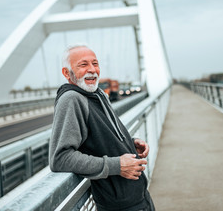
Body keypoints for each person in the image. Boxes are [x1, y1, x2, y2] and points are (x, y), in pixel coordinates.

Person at [49, 44, 155, 211]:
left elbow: (102, 135)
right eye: (83, 65)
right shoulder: (71, 100)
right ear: (66, 73)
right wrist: (116, 165)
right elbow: (60, 158)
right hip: (119, 206)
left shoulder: (98, 94)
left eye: (95, 63)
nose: (92, 70)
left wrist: (129, 143)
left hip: (139, 197)